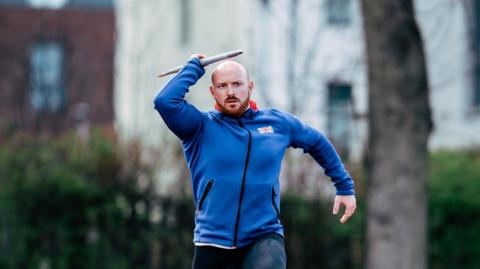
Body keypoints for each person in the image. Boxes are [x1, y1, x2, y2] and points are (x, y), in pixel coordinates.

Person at [154, 54, 356, 269]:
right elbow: (165, 102)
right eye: (222, 86)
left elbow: (317, 142)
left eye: (237, 84)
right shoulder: (199, 127)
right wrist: (193, 67)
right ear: (212, 92)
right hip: (211, 241)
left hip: (263, 236)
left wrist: (344, 186)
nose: (230, 92)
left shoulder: (276, 123)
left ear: (250, 87)